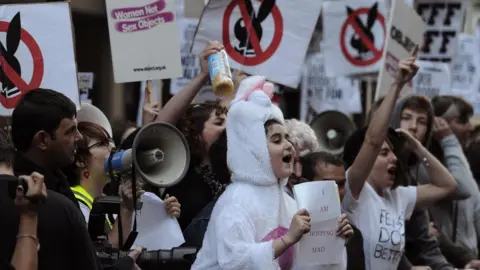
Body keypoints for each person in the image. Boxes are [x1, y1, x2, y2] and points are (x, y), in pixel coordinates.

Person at [342, 48, 457, 269]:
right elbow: (372, 141)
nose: (393, 158)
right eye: (384, 154)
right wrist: (397, 85)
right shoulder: (355, 190)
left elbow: (447, 185)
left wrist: (416, 146)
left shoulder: (399, 197)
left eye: (394, 152)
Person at [192, 75, 308, 269]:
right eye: (277, 140)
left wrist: (331, 236)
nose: (288, 145)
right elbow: (235, 262)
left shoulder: (287, 199)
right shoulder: (237, 200)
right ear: (254, 149)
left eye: (287, 138)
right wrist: (286, 240)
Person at [369, 95, 455, 270]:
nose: (413, 127)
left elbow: (424, 240)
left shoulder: (408, 181)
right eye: (406, 118)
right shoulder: (365, 174)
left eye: (422, 121)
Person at [63, 121, 181, 248]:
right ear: (80, 160)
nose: (112, 148)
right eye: (102, 144)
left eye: (111, 142)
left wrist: (159, 213)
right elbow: (105, 253)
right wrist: (126, 208)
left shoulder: (108, 202)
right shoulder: (74, 203)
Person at [301, 151, 365, 270]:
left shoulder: (353, 237)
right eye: (328, 184)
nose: (335, 191)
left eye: (340, 185)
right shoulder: (286, 231)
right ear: (304, 185)